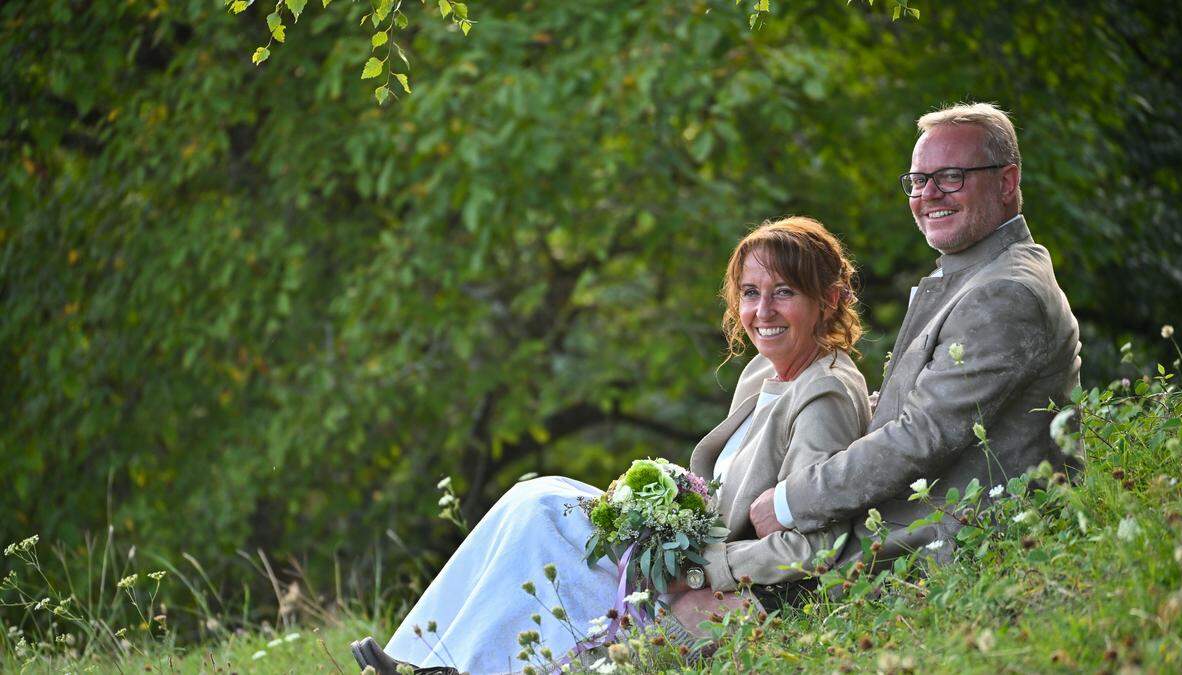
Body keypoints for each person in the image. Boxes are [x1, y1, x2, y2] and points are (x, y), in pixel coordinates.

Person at [350, 217, 872, 674]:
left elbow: (813, 546)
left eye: (784, 292)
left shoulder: (823, 392)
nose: (762, 311)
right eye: (751, 292)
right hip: (685, 550)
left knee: (542, 513)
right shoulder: (766, 368)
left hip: (725, 580)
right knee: (535, 498)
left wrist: (696, 570)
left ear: (827, 299)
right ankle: (424, 660)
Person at [749, 102, 1082, 564]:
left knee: (680, 604)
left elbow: (921, 436)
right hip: (911, 533)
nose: (930, 194)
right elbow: (907, 406)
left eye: (951, 177)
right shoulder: (973, 273)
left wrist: (789, 503)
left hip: (957, 551)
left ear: (1006, 183)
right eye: (919, 181)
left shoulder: (1003, 293)